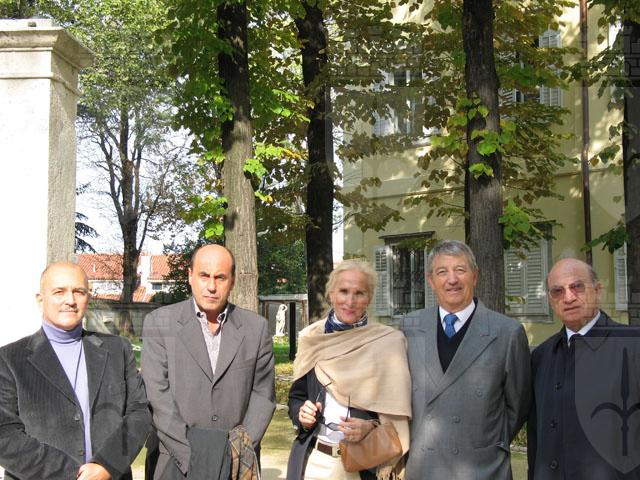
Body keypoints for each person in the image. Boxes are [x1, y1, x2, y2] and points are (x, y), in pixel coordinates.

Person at [0, 261, 151, 480]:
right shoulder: (9, 359)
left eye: (78, 291)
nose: (70, 300)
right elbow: (4, 433)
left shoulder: (118, 350)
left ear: (87, 298)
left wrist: (107, 465)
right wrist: (72, 475)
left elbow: (139, 412)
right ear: (40, 300)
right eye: (59, 292)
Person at [400, 239, 531, 480]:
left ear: (475, 276)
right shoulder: (410, 327)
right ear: (430, 281)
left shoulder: (507, 332)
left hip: (483, 468)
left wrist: (483, 441)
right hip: (423, 467)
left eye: (460, 270)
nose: (452, 279)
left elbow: (518, 405)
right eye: (442, 272)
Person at [141, 244, 275, 479]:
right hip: (174, 460)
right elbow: (157, 396)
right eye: (204, 276)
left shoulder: (256, 329)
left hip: (236, 464)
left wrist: (235, 453)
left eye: (220, 277)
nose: (212, 286)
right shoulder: (159, 323)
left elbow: (263, 395)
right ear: (190, 276)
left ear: (232, 280)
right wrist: (192, 457)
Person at [287, 259, 411, 480]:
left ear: (369, 298)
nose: (350, 301)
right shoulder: (312, 338)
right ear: (331, 294)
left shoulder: (388, 342)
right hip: (313, 460)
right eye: (343, 291)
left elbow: (397, 414)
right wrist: (301, 414)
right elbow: (296, 397)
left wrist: (370, 426)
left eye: (359, 293)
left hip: (365, 464)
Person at [528, 258, 640, 479]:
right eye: (558, 291)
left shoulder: (633, 346)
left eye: (577, 287)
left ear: (597, 291)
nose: (568, 297)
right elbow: (535, 434)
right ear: (551, 301)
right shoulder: (541, 356)